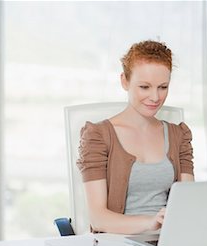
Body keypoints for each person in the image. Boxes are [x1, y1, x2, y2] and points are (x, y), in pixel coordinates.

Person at [76, 40, 194, 234]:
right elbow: (98, 219)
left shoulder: (179, 135)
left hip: (168, 240)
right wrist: (151, 223)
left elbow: (187, 203)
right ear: (125, 81)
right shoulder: (98, 136)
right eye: (145, 87)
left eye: (163, 87)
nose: (155, 97)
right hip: (118, 244)